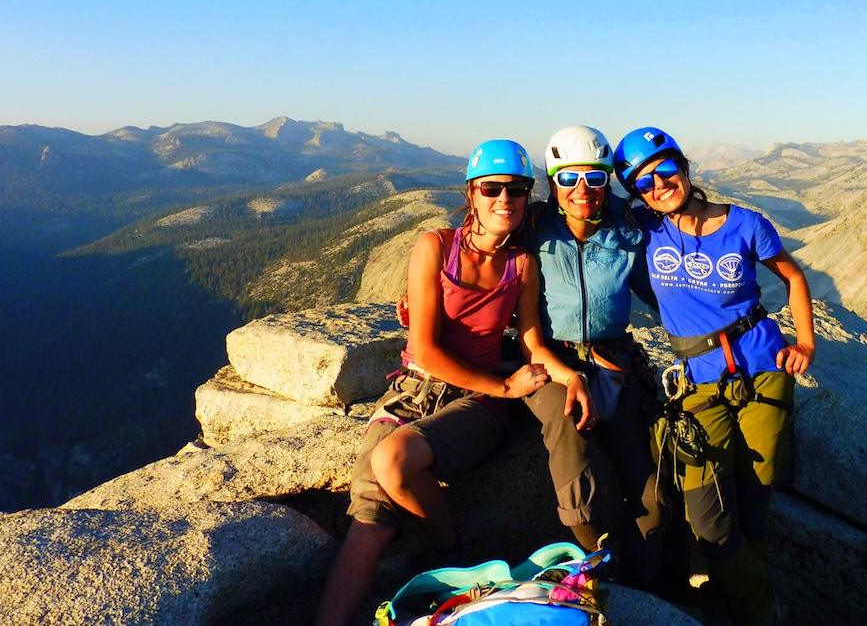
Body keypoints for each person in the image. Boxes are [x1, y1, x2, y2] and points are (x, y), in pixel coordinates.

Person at [315, 139, 593, 626]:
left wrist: (572, 378)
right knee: (368, 518)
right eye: (492, 188)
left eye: (517, 189)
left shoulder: (521, 266)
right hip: (413, 392)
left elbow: (531, 344)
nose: (504, 199)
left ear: (528, 197)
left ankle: (449, 552)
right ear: (472, 194)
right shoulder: (434, 247)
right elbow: (423, 349)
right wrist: (509, 386)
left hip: (479, 400)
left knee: (392, 460)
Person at [614, 126, 816, 626]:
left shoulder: (746, 224)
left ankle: (738, 602)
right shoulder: (644, 227)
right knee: (707, 510)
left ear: (684, 168)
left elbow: (791, 275)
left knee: (756, 492)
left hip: (764, 367)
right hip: (698, 381)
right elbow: (572, 212)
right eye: (645, 183)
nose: (660, 185)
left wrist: (805, 341)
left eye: (666, 171)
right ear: (636, 193)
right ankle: (763, 607)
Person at [521, 125, 668, 584]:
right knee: (567, 426)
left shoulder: (628, 230)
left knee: (641, 461)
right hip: (549, 357)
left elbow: (665, 292)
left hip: (613, 359)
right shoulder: (533, 228)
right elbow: (477, 250)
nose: (582, 190)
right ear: (552, 184)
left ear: (608, 182)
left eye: (595, 178)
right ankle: (592, 552)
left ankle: (655, 572)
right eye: (569, 179)